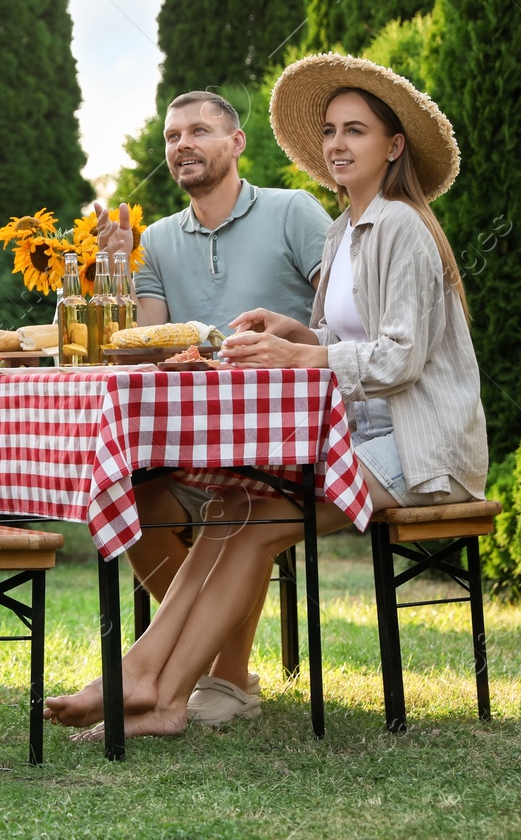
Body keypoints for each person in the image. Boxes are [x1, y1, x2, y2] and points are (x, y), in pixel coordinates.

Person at [46, 53, 487, 740]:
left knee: (247, 515)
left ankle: (151, 682)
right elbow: (344, 335)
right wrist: (294, 328)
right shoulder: (344, 231)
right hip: (363, 440)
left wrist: (301, 353)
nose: (338, 144)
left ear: (393, 145)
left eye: (357, 131)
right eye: (332, 132)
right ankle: (154, 686)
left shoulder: (400, 223)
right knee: (234, 504)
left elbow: (400, 358)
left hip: (419, 448)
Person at [94, 89, 331, 725]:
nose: (183, 146)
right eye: (173, 137)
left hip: (282, 447)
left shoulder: (293, 212)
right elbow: (139, 349)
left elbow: (343, 314)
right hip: (188, 450)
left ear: (236, 143)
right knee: (135, 498)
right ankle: (214, 668)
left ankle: (220, 678)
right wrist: (113, 276)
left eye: (199, 132)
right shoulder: (157, 241)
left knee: (241, 500)